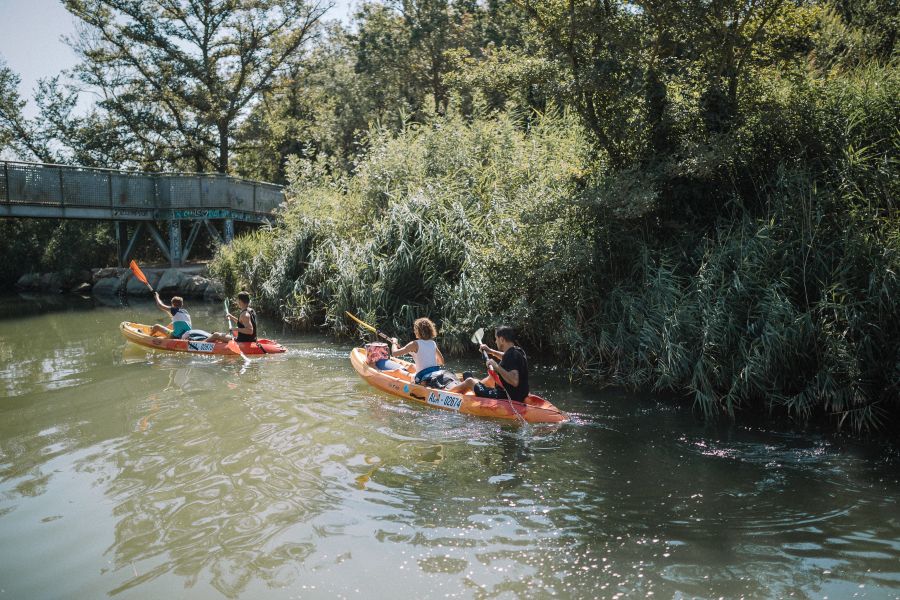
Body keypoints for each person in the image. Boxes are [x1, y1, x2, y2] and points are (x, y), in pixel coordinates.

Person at [453, 326, 530, 402]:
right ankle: (473, 385)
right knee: (489, 379)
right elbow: (505, 357)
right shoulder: (518, 351)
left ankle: (445, 393)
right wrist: (490, 351)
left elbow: (514, 381)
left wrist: (496, 366)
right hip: (520, 395)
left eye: (496, 339)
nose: (495, 341)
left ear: (502, 339)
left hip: (506, 396)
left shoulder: (511, 355)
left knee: (469, 381)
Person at [389, 317, 458, 389]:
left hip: (423, 378)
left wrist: (394, 343)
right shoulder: (432, 343)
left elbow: (394, 353)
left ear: (418, 331)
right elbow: (441, 362)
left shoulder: (414, 344)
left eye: (415, 329)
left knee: (399, 371)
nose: (414, 331)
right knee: (412, 367)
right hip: (435, 374)